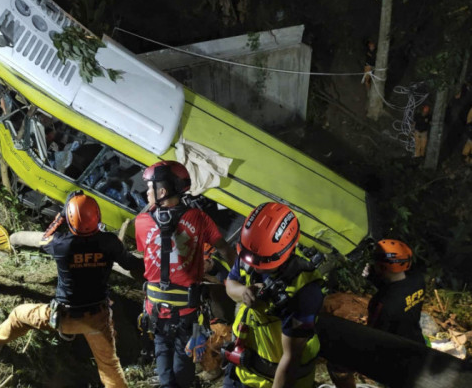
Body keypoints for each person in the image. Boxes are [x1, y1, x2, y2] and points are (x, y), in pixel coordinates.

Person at [0, 191, 141, 388]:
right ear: (97, 217)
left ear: (70, 221)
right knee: (109, 366)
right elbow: (129, 263)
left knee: (19, 314)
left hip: (66, 317)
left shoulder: (61, 245)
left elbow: (45, 238)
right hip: (98, 319)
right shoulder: (109, 242)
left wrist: (61, 214)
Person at [135, 160, 235, 388]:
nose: (147, 192)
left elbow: (150, 255)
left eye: (150, 188)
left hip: (155, 308)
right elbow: (225, 249)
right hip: (186, 308)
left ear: (162, 191)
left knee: (162, 351)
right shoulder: (199, 219)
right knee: (184, 356)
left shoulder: (141, 222)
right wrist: (239, 280)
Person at [223, 202, 324, 388]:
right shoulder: (251, 252)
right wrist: (243, 292)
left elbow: (290, 359)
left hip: (276, 380)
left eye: (262, 262)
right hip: (242, 371)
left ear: (286, 251)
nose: (254, 266)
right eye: (250, 259)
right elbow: (230, 284)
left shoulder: (305, 291)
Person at [328, 239, 426, 388]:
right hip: (416, 343)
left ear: (382, 267)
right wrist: (374, 277)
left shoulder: (382, 303)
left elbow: (373, 336)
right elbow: (398, 289)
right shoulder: (418, 281)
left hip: (393, 358)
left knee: (337, 365)